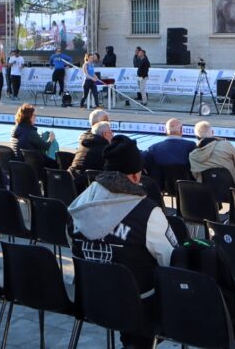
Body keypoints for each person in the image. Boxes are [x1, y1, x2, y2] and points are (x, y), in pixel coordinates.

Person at [69, 134, 177, 349]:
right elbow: (171, 260)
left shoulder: (77, 205)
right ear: (136, 177)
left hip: (91, 297)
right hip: (138, 305)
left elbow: (75, 249)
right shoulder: (148, 212)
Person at [188, 120, 235, 189]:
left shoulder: (193, 156)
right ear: (212, 132)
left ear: (197, 137)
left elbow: (195, 176)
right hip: (233, 188)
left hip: (206, 191)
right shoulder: (226, 145)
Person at [140, 117, 194, 186]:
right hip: (186, 186)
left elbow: (140, 161)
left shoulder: (154, 148)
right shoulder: (191, 146)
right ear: (181, 130)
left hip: (162, 186)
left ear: (165, 131)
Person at [69, 111, 112, 189]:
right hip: (84, 189)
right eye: (106, 121)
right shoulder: (103, 148)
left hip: (70, 183)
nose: (109, 123)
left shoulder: (84, 141)